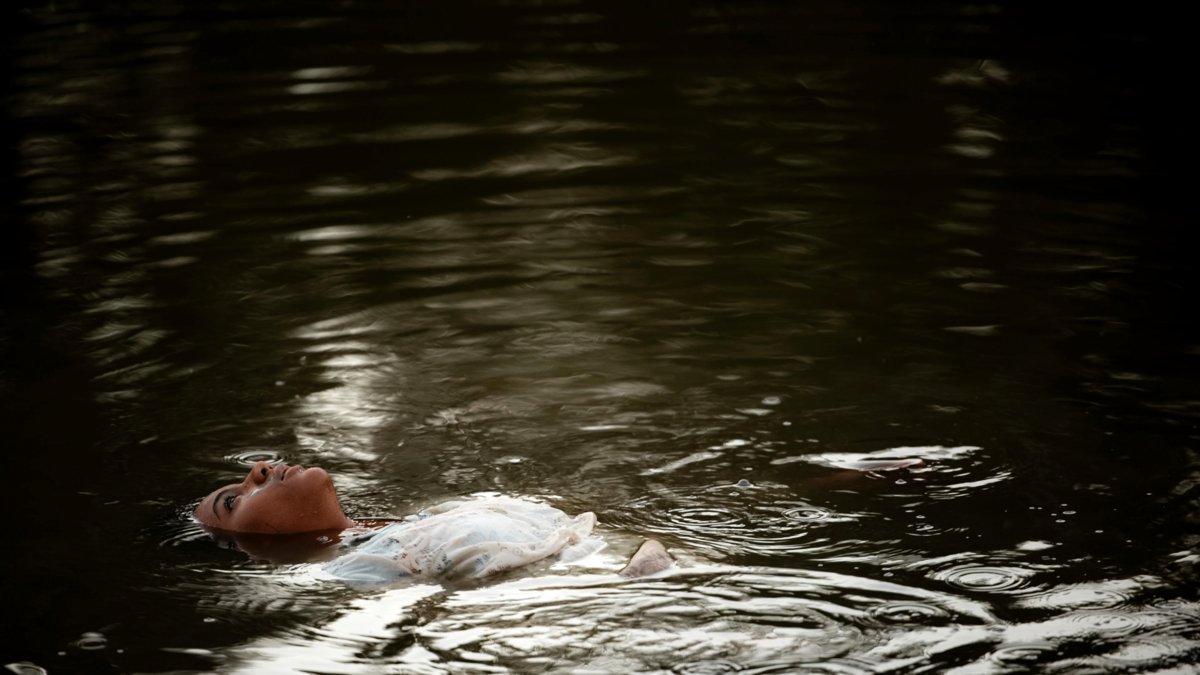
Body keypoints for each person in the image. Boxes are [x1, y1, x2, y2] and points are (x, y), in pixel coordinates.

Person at [194, 461, 672, 582]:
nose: (256, 471)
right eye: (233, 502)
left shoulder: (420, 520)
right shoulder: (362, 569)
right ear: (248, 547)